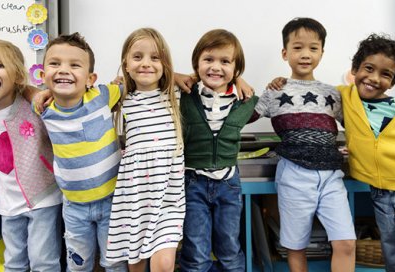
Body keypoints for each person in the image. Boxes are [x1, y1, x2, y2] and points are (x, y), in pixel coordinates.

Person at [268, 33, 395, 272]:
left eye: (385, 74)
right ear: (355, 70)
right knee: (394, 256)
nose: (374, 78)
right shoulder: (341, 96)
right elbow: (308, 95)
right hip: (381, 194)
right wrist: (280, 82)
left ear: (394, 81)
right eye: (368, 68)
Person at [254, 18, 356, 272]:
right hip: (294, 173)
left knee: (346, 242)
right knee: (295, 246)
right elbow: (243, 116)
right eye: (298, 48)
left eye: (313, 48)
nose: (305, 55)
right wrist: (243, 84)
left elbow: (358, 126)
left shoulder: (333, 93)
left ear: (322, 52)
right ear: (285, 52)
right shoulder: (274, 92)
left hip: (331, 175)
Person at [0, 39, 63, 271]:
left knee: (43, 261)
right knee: (13, 263)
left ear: (17, 76)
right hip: (8, 205)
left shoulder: (33, 106)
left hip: (43, 198)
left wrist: (30, 90)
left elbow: (56, 99)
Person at [36, 33, 127, 272]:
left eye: (74, 65)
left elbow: (140, 80)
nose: (63, 70)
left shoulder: (102, 95)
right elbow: (10, 91)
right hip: (74, 207)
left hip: (112, 201)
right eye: (55, 64)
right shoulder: (43, 108)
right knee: (78, 265)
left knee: (115, 263)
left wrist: (177, 76)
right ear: (43, 75)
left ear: (90, 79)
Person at [105, 27, 185, 272]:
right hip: (135, 196)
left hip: (168, 197)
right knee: (136, 264)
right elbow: (78, 97)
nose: (146, 64)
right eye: (137, 57)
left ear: (165, 64)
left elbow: (213, 76)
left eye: (155, 57)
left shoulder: (176, 95)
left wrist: (239, 78)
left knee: (164, 265)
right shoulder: (120, 98)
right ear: (126, 64)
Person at [179, 29, 258, 272]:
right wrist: (174, 75)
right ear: (197, 64)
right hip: (193, 182)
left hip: (228, 184)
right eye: (208, 60)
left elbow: (270, 102)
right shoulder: (184, 94)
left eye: (225, 62)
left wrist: (239, 80)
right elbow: (155, 77)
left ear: (235, 69)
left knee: (229, 248)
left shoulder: (244, 99)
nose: (215, 67)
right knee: (196, 251)